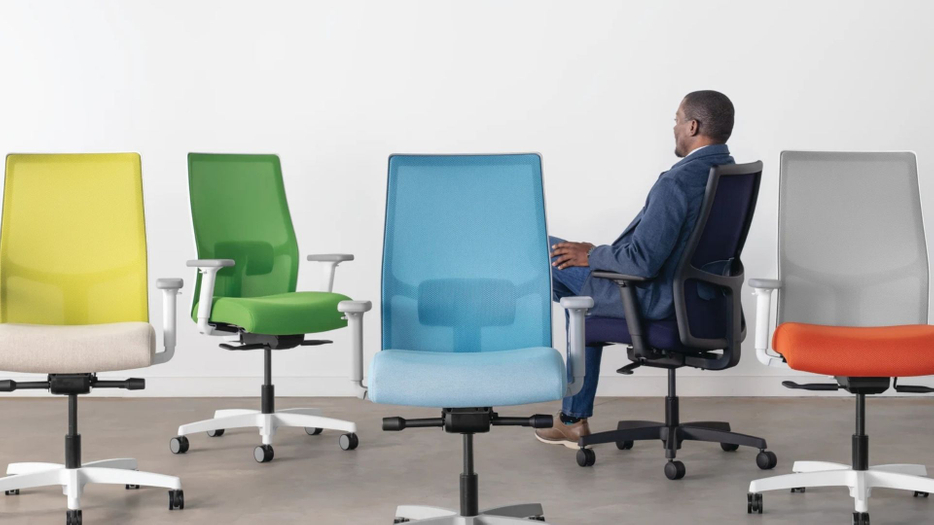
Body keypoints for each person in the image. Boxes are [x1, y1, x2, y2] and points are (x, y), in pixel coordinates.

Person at [535, 90, 737, 447]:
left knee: (534, 246)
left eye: (677, 119)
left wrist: (593, 254)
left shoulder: (678, 181)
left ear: (692, 125)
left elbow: (641, 263)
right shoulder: (728, 172)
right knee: (575, 304)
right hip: (699, 302)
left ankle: (564, 410)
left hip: (649, 298)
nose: (674, 126)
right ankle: (573, 416)